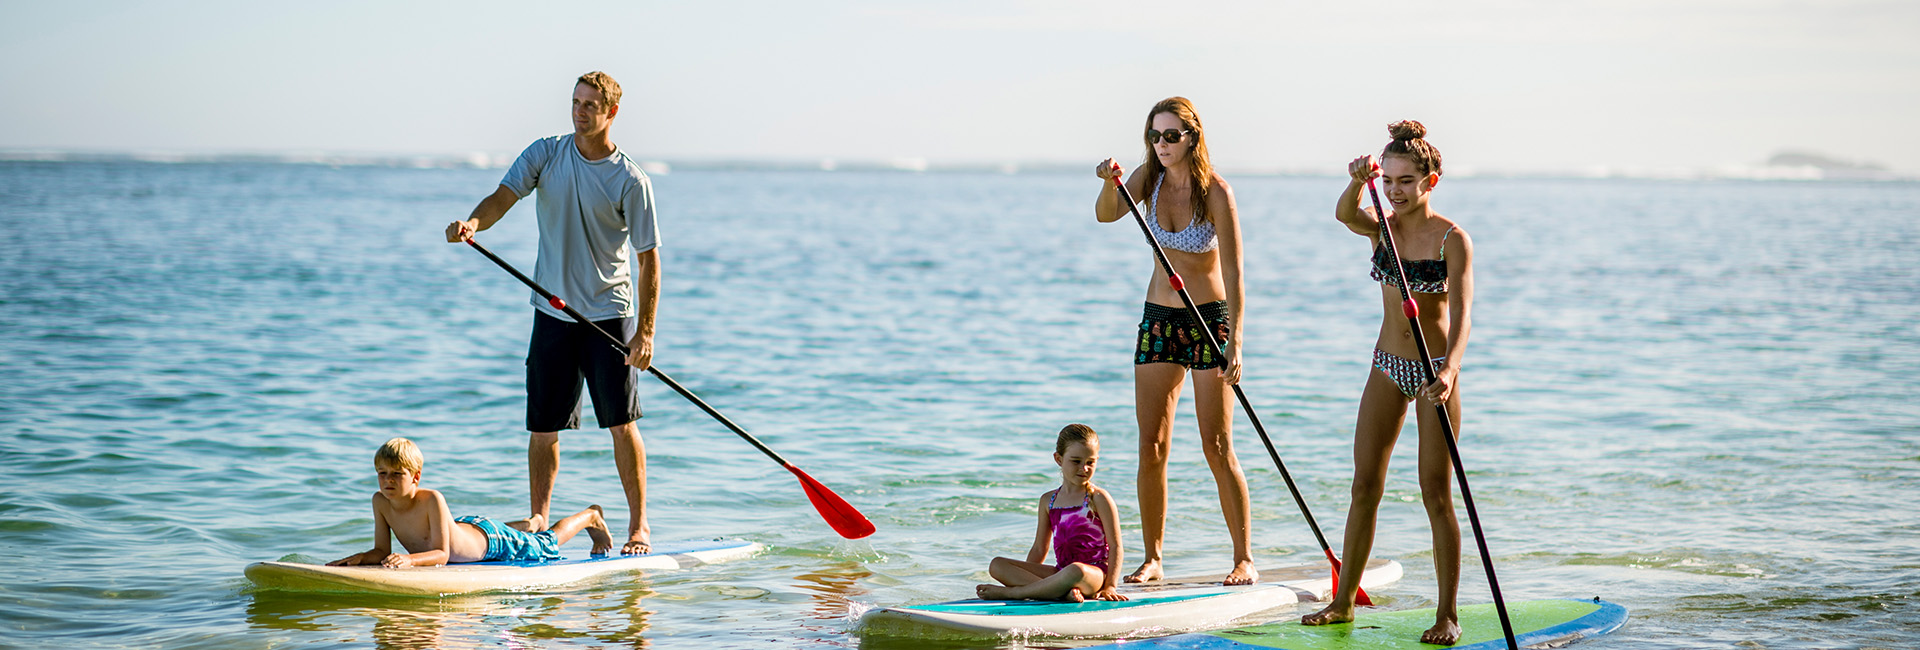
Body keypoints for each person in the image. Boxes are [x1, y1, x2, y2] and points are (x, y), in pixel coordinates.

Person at [444, 71, 659, 555]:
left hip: (608, 315)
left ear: (611, 114)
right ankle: (540, 514)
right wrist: (474, 223)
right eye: (575, 102)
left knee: (621, 424)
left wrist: (644, 333)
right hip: (552, 312)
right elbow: (504, 196)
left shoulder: (630, 179)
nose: (580, 112)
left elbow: (649, 259)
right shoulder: (546, 153)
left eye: (590, 106)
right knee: (543, 426)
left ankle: (639, 526)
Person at [1302, 120, 1474, 645]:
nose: (1396, 191)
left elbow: (1464, 314)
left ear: (1431, 181)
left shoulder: (1452, 238)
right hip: (1385, 365)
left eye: (1406, 181)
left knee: (1435, 494)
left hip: (1433, 372)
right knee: (1363, 486)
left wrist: (1449, 370)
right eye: (1390, 180)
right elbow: (1344, 213)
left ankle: (1447, 615)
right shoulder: (1382, 226)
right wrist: (1359, 180)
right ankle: (1342, 604)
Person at [1092, 97, 1257, 586]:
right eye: (1154, 135)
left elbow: (1235, 271)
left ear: (1192, 137)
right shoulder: (1147, 177)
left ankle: (1244, 557)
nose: (1161, 145)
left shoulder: (1217, 193)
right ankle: (1153, 557)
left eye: (1170, 136)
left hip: (1210, 322)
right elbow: (1106, 216)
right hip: (1160, 320)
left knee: (1218, 443)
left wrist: (1237, 342)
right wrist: (1109, 183)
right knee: (1152, 444)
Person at [328, 438, 612, 567]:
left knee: (546, 543)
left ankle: (590, 516)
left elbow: (441, 554)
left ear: (415, 477)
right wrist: (361, 558)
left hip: (490, 540)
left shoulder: (431, 499)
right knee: (526, 531)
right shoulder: (380, 502)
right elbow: (381, 550)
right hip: (465, 527)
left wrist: (409, 560)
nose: (387, 480)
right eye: (382, 474)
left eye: (397, 474)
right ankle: (530, 522)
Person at [976, 424, 1128, 602]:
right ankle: (1059, 593)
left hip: (1092, 574)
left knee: (1075, 569)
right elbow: (1040, 548)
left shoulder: (1098, 498)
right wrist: (1022, 573)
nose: (1084, 468)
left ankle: (1016, 593)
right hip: (1061, 573)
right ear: (1058, 459)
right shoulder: (1048, 501)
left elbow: (1116, 546)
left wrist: (1110, 586)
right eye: (1076, 461)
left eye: (1090, 462)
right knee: (998, 565)